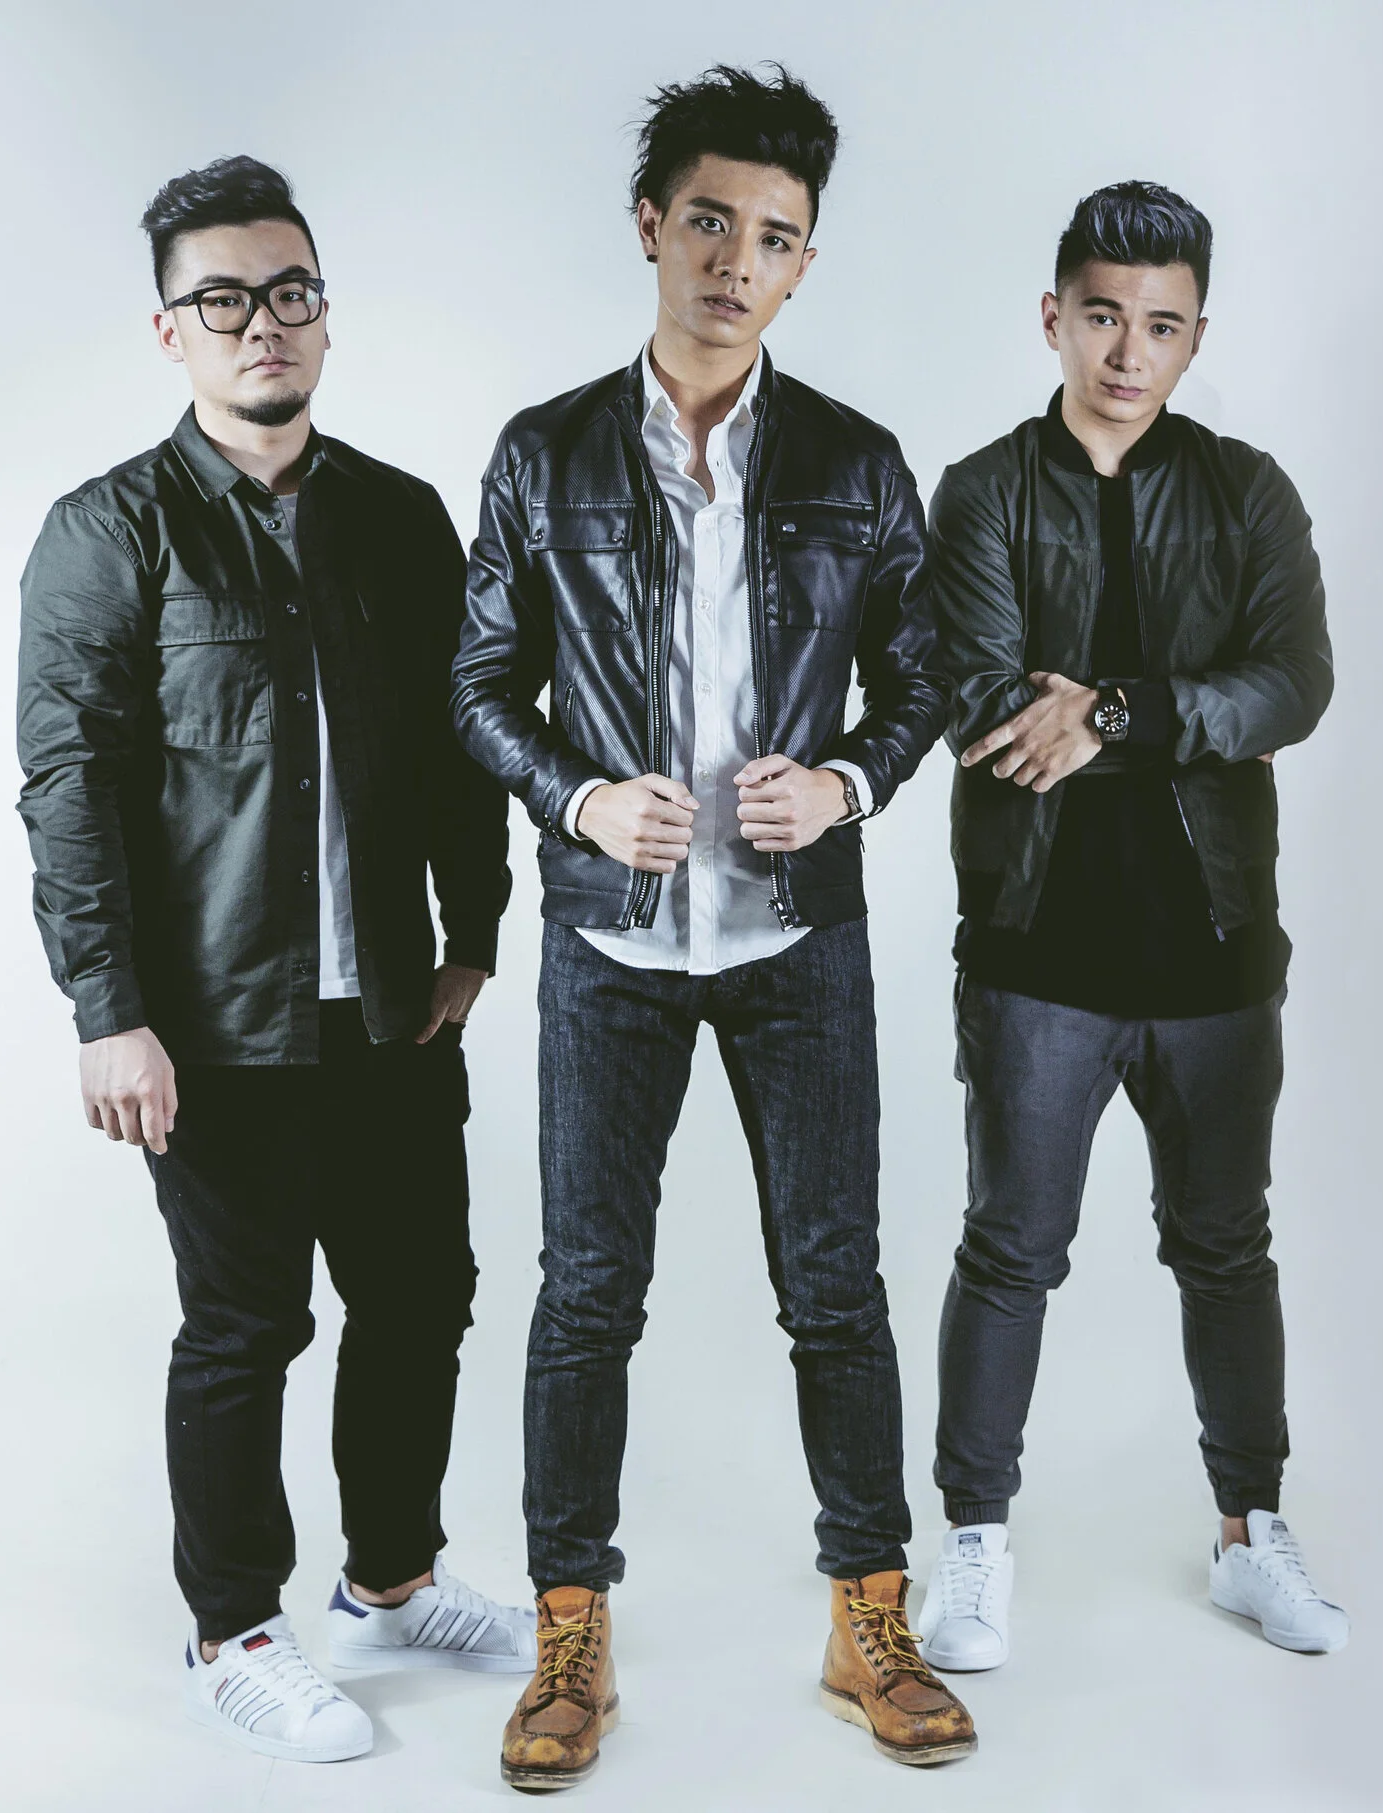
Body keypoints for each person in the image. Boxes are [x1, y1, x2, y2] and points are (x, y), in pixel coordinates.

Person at [451, 64, 972, 1790]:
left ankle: (869, 1618)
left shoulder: (856, 464)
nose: (736, 261)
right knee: (586, 1298)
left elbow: (925, 677)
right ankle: (570, 1635)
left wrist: (851, 781)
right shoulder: (544, 455)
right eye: (707, 222)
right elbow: (477, 686)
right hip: (610, 942)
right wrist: (580, 800)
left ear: (805, 262)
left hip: (795, 939)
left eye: (775, 236)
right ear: (650, 227)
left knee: (836, 1289)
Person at [14, 155, 532, 1765]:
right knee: (247, 1327)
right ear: (170, 329)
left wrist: (472, 931)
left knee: (422, 1297)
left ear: (324, 314)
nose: (263, 323)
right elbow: (69, 785)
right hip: (216, 1022)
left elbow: (456, 744)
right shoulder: (108, 532)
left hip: (388, 1005)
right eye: (225, 298)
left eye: (290, 292)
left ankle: (391, 1582)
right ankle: (235, 1628)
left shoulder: (399, 517)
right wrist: (110, 1013)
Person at [913, 181, 1350, 1673]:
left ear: (1195, 337)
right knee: (1010, 1252)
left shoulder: (1246, 491)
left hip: (1214, 952)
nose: (1126, 351)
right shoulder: (984, 492)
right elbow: (980, 701)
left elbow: (1295, 683)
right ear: (1055, 317)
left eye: (1160, 326)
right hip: (1037, 952)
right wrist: (1167, 717)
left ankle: (1250, 1535)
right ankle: (975, 1544)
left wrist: (1113, 712)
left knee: (1227, 1251)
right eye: (1102, 316)